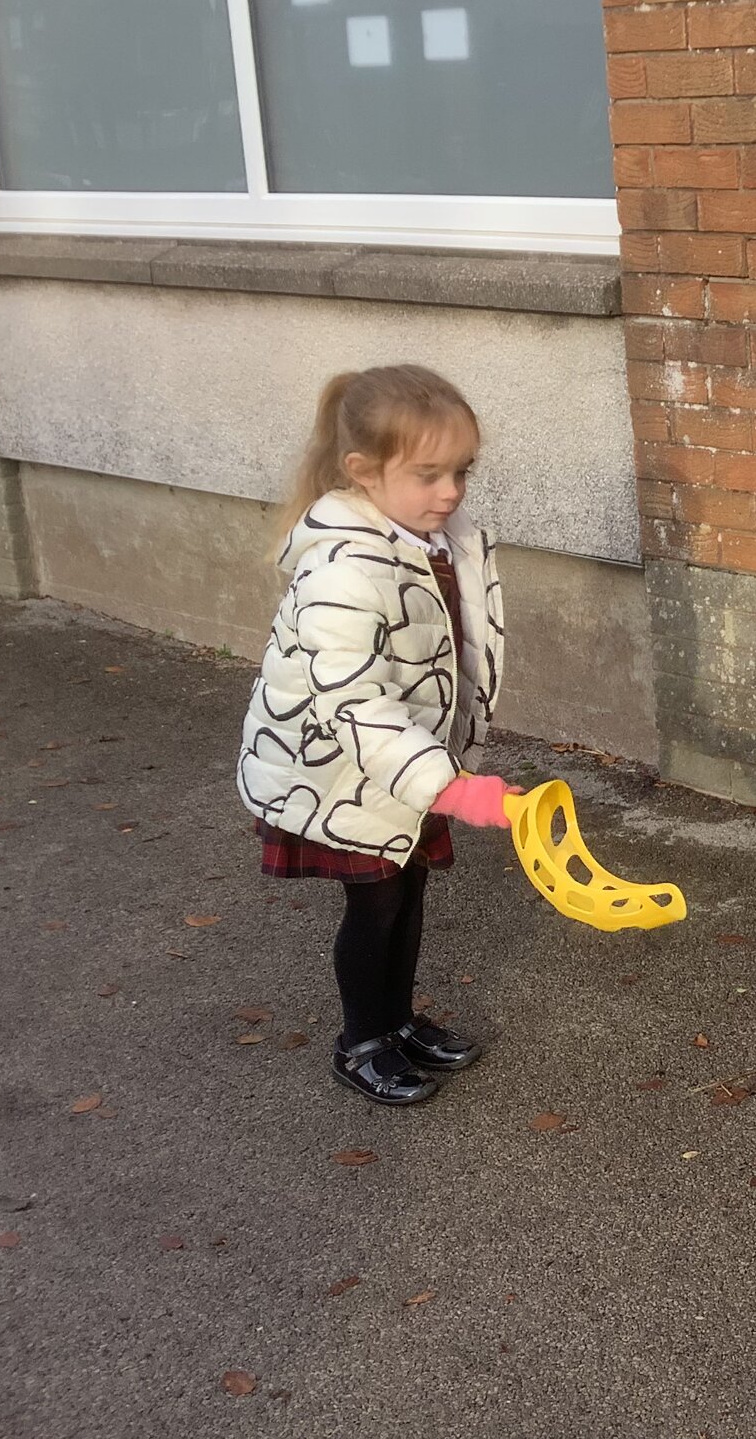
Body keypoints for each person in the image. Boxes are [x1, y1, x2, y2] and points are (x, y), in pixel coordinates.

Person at [237, 365, 513, 1107]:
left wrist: (444, 762)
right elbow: (353, 700)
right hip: (341, 771)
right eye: (428, 474)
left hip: (407, 765)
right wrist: (450, 784)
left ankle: (398, 1020)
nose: (450, 490)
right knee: (377, 905)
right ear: (362, 471)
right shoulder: (342, 568)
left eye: (461, 470)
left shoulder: (438, 540)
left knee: (409, 890)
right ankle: (361, 1040)